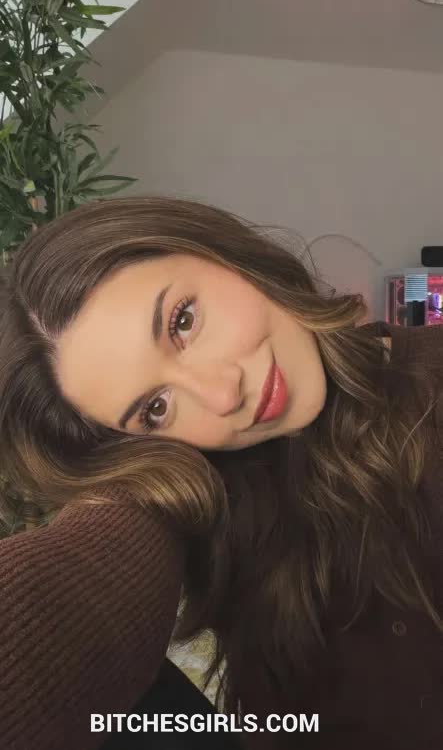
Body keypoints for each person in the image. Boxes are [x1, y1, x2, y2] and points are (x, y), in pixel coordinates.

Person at [0, 196, 442, 750]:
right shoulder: (215, 496)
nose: (222, 393)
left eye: (182, 321)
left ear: (223, 254)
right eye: (155, 408)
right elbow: (75, 592)